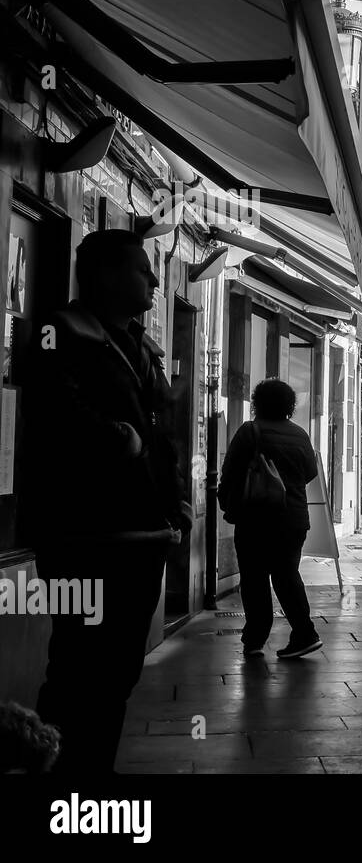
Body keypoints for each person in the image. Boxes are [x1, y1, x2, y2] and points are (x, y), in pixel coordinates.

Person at [19, 229, 189, 774]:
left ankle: (93, 773)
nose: (155, 280)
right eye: (144, 270)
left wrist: (178, 502)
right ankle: (61, 778)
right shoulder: (57, 332)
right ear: (107, 275)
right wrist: (118, 439)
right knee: (77, 669)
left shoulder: (141, 346)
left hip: (145, 537)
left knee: (117, 673)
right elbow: (49, 407)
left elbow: (166, 433)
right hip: (85, 537)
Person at [217, 379, 322, 659]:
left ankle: (255, 639)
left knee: (254, 578)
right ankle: (305, 632)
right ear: (290, 405)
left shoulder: (250, 431)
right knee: (287, 576)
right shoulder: (300, 434)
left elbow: (231, 473)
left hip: (255, 518)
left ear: (257, 402)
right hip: (294, 519)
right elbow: (310, 473)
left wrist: (227, 504)